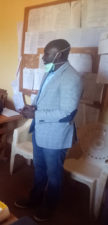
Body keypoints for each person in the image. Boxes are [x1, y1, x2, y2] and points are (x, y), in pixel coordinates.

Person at [14, 39, 83, 222]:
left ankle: (49, 206)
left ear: (59, 54)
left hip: (56, 136)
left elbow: (67, 113)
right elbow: (44, 98)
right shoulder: (51, 71)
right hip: (41, 131)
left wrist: (36, 114)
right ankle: (34, 198)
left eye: (47, 53)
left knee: (54, 174)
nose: (43, 58)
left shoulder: (72, 78)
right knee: (39, 169)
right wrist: (30, 109)